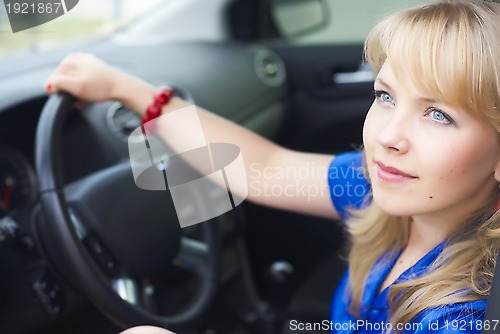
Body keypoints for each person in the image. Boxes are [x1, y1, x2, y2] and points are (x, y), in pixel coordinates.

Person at [45, 0, 500, 333]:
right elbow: (265, 167)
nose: (386, 137)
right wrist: (132, 91)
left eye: (438, 114)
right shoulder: (377, 191)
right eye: (385, 96)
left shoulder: (465, 314)